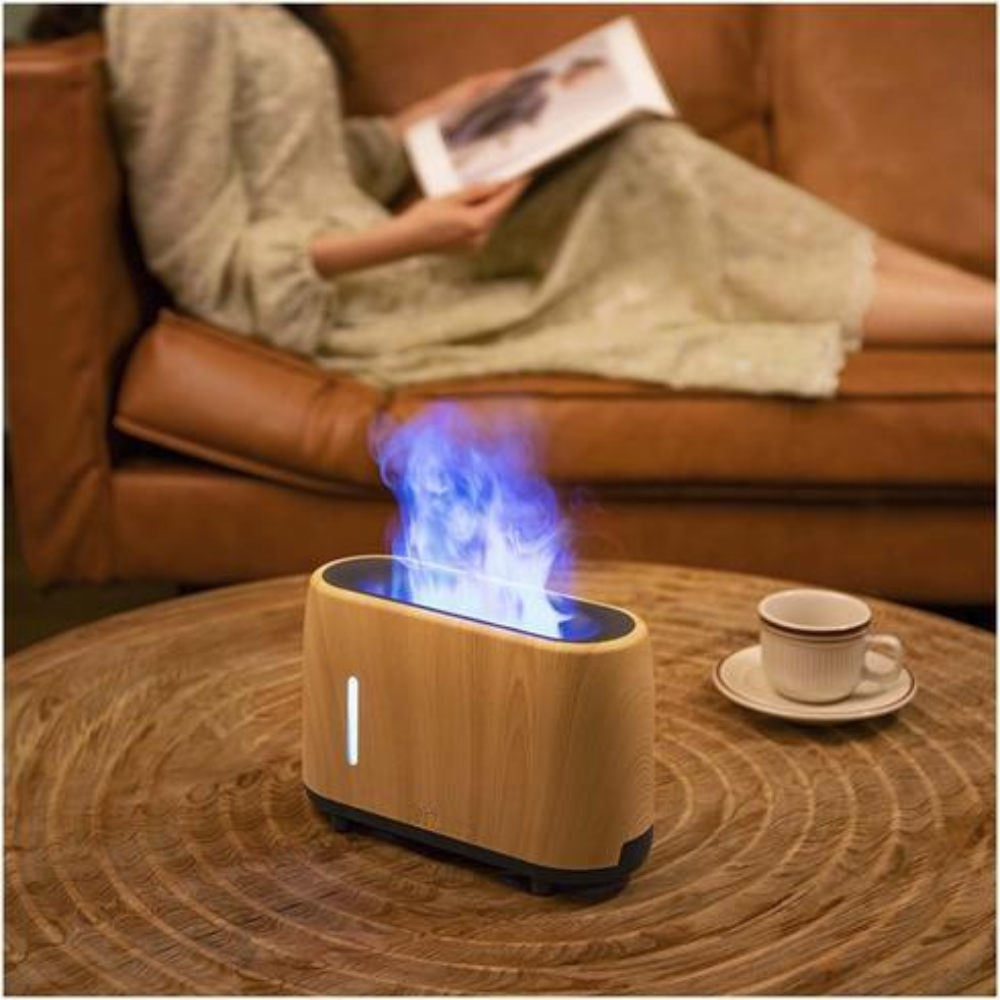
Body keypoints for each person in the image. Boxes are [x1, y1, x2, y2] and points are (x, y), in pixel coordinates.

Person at [31, 5, 995, 397]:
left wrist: (422, 124)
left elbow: (301, 169)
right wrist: (413, 235)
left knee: (645, 155)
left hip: (384, 249)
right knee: (659, 182)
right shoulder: (166, 17)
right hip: (348, 303)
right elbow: (208, 263)